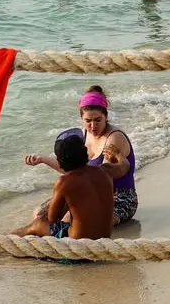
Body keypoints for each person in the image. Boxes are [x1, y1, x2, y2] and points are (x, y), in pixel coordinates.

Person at [23, 86, 139, 227]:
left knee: (68, 222)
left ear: (106, 117)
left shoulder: (114, 138)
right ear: (81, 118)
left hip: (118, 197)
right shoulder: (82, 134)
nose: (93, 126)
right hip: (87, 191)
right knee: (39, 215)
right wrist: (42, 159)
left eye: (98, 120)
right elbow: (73, 168)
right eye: (88, 121)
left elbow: (102, 178)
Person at [0, 132, 114, 240]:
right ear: (85, 152)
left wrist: (64, 203)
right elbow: (124, 166)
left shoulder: (65, 182)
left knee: (38, 224)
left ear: (60, 161)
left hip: (79, 247)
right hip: (105, 240)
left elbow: (52, 219)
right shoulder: (104, 170)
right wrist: (118, 157)